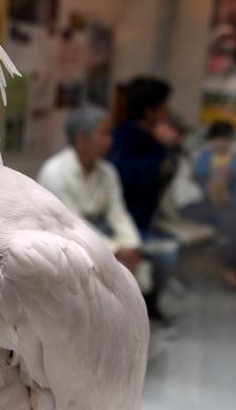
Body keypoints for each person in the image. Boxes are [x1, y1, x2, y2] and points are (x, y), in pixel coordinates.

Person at [38, 103, 151, 292]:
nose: (110, 141)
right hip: (66, 250)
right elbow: (72, 225)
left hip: (103, 242)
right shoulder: (54, 172)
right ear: (82, 139)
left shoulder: (108, 172)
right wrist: (114, 250)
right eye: (104, 134)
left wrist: (131, 245)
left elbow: (118, 213)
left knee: (141, 275)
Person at [110, 76, 181, 320]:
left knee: (169, 250)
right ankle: (139, 309)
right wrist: (161, 147)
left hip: (145, 219)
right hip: (124, 223)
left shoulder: (151, 135)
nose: (168, 110)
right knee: (165, 254)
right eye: (164, 105)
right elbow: (134, 178)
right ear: (150, 110)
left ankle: (147, 305)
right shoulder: (125, 137)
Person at [180, 120, 236, 288]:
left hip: (227, 204)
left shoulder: (235, 160)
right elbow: (197, 182)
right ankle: (232, 269)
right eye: (219, 139)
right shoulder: (203, 157)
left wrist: (228, 187)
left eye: (226, 139)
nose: (223, 143)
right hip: (205, 205)